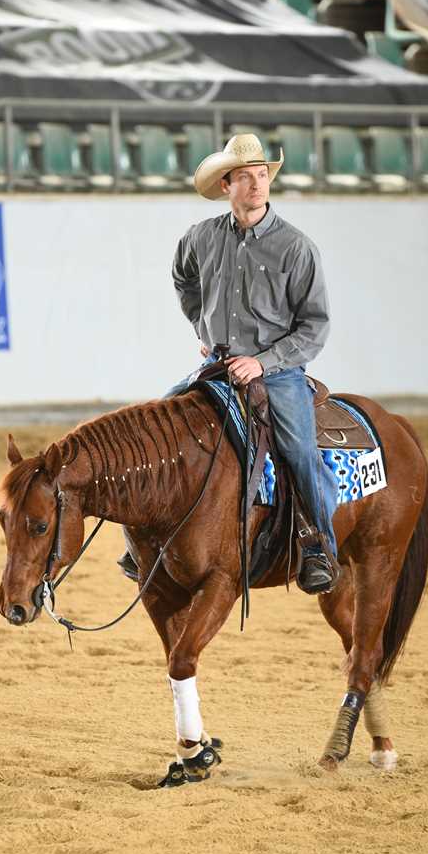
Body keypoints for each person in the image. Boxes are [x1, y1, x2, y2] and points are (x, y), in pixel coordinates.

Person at [121, 133, 339, 594]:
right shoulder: (201, 238)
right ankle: (144, 542)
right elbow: (183, 278)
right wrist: (202, 328)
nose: (257, 185)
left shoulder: (296, 247)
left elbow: (314, 326)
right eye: (246, 177)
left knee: (300, 450)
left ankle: (318, 546)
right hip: (218, 365)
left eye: (262, 175)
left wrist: (263, 362)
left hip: (277, 372)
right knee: (154, 428)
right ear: (226, 185)